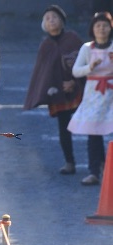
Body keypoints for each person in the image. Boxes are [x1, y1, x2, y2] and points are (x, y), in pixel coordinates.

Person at [24, 5, 85, 175]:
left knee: (90, 125)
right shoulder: (45, 46)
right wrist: (53, 89)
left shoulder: (73, 39)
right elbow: (43, 74)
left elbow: (84, 61)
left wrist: (74, 81)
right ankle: (70, 162)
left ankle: (98, 164)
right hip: (58, 93)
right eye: (48, 18)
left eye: (55, 17)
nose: (51, 20)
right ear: (44, 24)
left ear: (62, 21)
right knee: (63, 128)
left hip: (79, 88)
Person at [67, 12, 113, 185]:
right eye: (98, 26)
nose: (101, 29)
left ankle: (108, 169)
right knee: (94, 132)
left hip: (111, 92)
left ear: (110, 28)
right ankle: (95, 171)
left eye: (105, 25)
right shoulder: (87, 48)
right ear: (93, 29)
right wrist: (90, 67)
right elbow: (76, 71)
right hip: (94, 93)